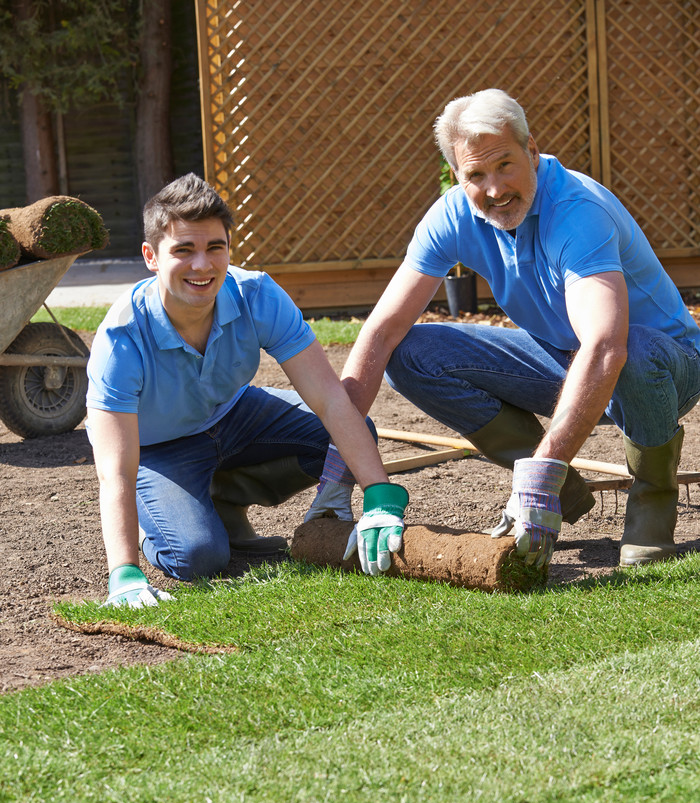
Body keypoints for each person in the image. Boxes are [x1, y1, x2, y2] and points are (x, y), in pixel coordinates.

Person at [307, 89, 700, 568]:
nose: (494, 189)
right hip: (562, 357)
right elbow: (381, 333)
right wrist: (338, 473)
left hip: (662, 368)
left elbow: (604, 349)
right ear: (456, 173)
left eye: (505, 165)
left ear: (532, 150)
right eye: (474, 174)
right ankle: (563, 489)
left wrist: (541, 477)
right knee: (410, 352)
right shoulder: (453, 215)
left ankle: (651, 502)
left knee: (632, 349)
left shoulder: (577, 211)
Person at [86, 173, 409, 607]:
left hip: (234, 415)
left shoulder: (256, 294)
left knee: (355, 428)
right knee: (199, 557)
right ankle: (155, 522)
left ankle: (219, 491)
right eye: (184, 250)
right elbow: (116, 470)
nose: (202, 265)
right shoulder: (122, 337)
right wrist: (123, 574)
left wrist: (380, 494)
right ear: (151, 256)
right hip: (156, 448)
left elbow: (332, 400)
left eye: (214, 248)